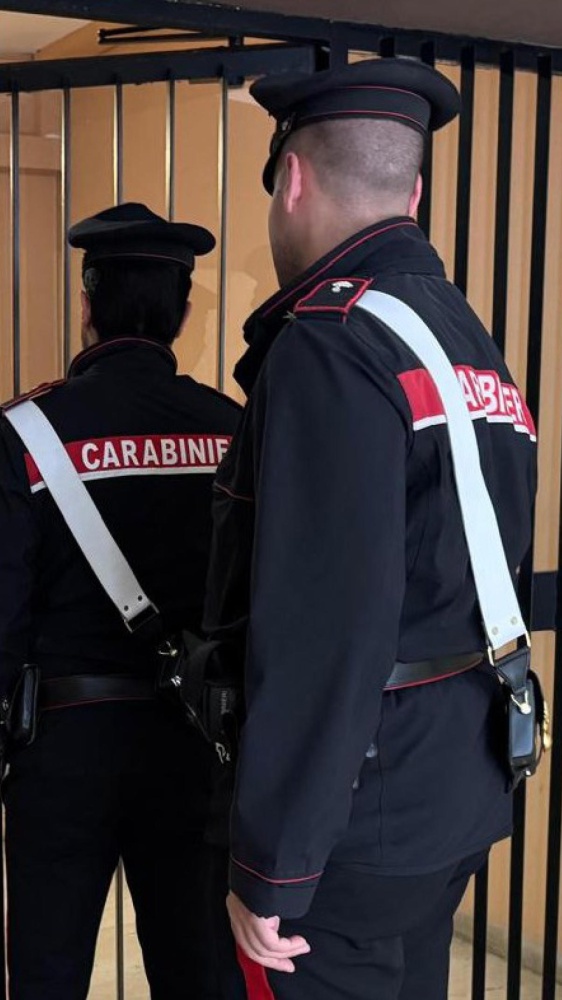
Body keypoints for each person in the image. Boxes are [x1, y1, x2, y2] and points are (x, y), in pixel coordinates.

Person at [202, 58, 538, 1000]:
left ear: (292, 180)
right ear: (414, 192)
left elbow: (328, 630)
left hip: (353, 817)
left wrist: (274, 865)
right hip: (457, 784)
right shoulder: (463, 336)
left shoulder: (331, 342)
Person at [0, 202, 241, 1000]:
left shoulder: (27, 434)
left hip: (64, 747)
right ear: (183, 313)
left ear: (87, 305)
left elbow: (3, 615)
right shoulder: (231, 429)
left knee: (49, 970)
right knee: (195, 969)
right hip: (196, 742)